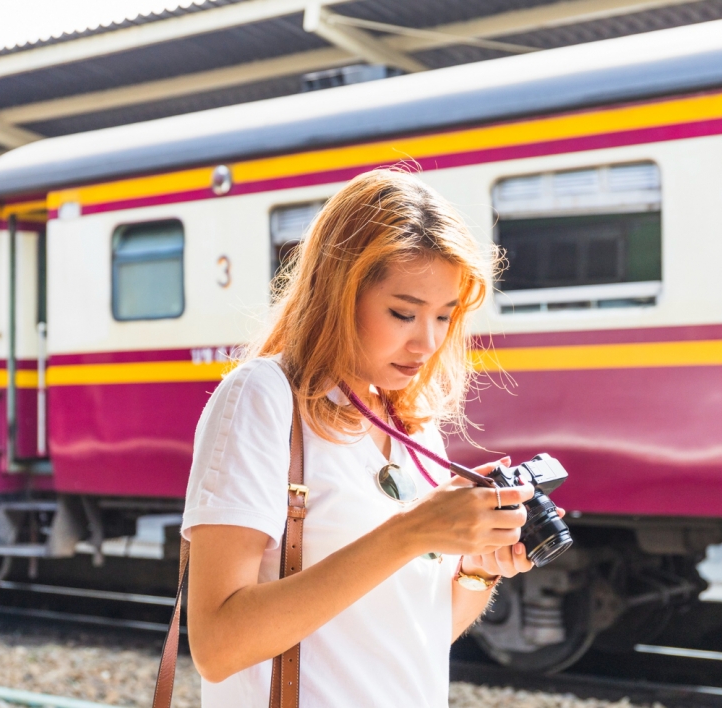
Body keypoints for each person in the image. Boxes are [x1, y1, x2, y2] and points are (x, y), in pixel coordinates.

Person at [183, 169, 549, 707]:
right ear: (338, 293)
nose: (427, 342)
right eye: (403, 313)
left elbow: (411, 635)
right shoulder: (263, 396)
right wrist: (408, 533)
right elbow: (216, 645)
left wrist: (475, 570)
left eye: (445, 316)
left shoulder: (411, 420)